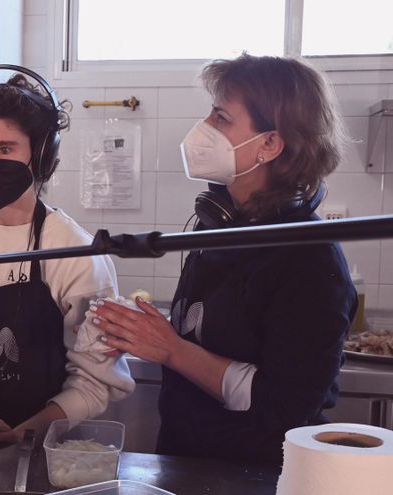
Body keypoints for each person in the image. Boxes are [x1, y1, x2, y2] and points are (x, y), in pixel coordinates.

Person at [92, 54, 356, 465]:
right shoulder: (219, 223)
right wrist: (142, 332)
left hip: (253, 476)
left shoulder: (310, 259)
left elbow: (283, 406)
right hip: (184, 460)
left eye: (221, 117)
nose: (204, 127)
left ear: (269, 144)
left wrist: (172, 350)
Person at [0, 69, 135, 447]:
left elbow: (93, 385)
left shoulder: (76, 252)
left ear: (42, 153)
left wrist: (19, 435)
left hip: (44, 452)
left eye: (5, 149)